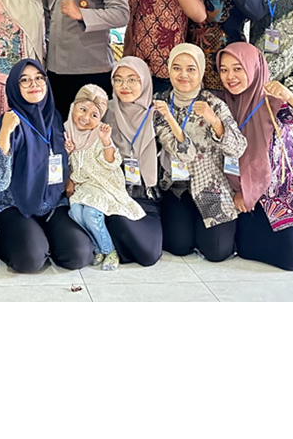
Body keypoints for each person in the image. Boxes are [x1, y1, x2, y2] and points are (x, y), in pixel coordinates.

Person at [217, 43, 293, 271]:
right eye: (224, 70)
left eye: (238, 68)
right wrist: (240, 190)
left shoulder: (273, 102)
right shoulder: (223, 105)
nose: (230, 76)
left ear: (254, 68)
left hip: (288, 192)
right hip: (249, 199)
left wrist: (291, 98)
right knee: (244, 248)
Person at [0, 59, 95, 273]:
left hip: (52, 202)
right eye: (24, 80)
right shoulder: (7, 121)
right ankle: (23, 236)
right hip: (15, 204)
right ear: (14, 87)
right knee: (29, 260)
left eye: (39, 78)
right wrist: (4, 135)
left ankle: (43, 235)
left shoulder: (55, 118)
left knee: (79, 254)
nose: (34, 84)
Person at [154, 44, 247, 261]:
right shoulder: (161, 103)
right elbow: (184, 153)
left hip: (211, 186)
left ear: (201, 72)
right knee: (178, 246)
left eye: (191, 69)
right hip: (177, 186)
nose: (183, 75)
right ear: (168, 70)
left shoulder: (214, 103)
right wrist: (169, 117)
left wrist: (214, 121)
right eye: (176, 68)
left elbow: (238, 148)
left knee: (217, 252)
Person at [100, 57, 169, 267]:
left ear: (145, 82)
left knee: (148, 254)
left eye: (132, 80)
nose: (124, 86)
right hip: (114, 196)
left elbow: (179, 149)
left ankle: (110, 242)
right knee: (121, 224)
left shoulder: (157, 113)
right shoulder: (105, 112)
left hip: (147, 197)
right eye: (118, 80)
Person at [65, 85, 140, 270]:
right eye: (82, 109)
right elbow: (68, 165)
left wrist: (106, 141)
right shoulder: (67, 131)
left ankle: (110, 250)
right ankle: (98, 247)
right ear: (72, 107)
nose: (86, 117)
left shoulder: (99, 134)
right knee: (75, 212)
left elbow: (110, 162)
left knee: (91, 214)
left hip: (103, 183)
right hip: (83, 185)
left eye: (94, 115)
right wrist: (66, 153)